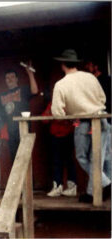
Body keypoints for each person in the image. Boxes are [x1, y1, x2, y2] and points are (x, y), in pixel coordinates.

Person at [51, 49, 111, 203]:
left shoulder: (61, 84)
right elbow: (102, 98)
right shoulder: (90, 77)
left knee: (82, 157)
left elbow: (57, 113)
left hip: (83, 122)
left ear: (62, 65)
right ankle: (92, 193)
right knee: (98, 158)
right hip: (101, 118)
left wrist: (71, 118)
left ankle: (107, 183)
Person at [0, 62, 38, 162]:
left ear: (17, 79)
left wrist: (30, 74)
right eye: (7, 78)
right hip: (10, 133)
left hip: (23, 130)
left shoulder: (23, 89)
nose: (10, 80)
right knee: (14, 160)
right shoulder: (2, 95)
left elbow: (34, 91)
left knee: (25, 159)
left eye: (12, 77)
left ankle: (29, 179)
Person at [42, 101, 77, 197]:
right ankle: (58, 186)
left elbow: (77, 122)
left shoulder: (70, 103)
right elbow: (44, 120)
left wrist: (73, 126)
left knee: (69, 160)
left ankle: (72, 187)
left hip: (68, 135)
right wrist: (50, 112)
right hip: (55, 136)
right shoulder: (52, 104)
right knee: (57, 161)